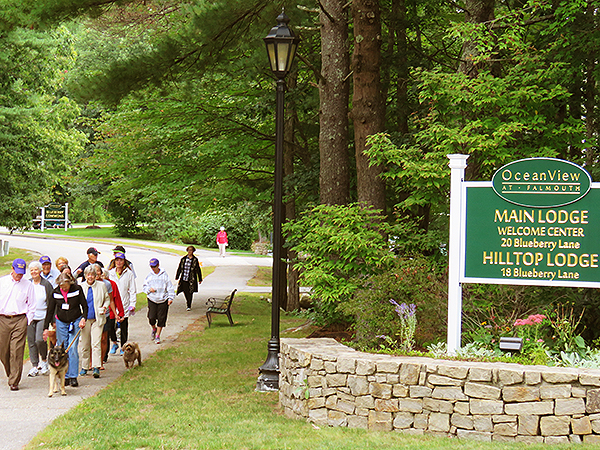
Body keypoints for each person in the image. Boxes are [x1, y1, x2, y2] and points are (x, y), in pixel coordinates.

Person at [43, 271, 87, 387]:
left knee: (72, 348)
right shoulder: (55, 292)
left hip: (75, 320)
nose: (63, 288)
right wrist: (45, 328)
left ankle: (73, 376)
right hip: (61, 321)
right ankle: (64, 376)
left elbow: (84, 305)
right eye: (61, 286)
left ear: (70, 283)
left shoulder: (77, 289)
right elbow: (50, 310)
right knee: (63, 348)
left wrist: (84, 318)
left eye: (65, 286)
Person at [0, 259, 36, 391]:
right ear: (12, 269)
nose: (19, 275)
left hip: (19, 319)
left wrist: (28, 320)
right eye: (17, 272)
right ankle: (11, 373)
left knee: (16, 350)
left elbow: (32, 305)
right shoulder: (2, 282)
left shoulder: (28, 285)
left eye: (21, 273)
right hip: (3, 319)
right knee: (3, 350)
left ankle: (14, 381)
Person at [78, 265, 110, 378]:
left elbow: (107, 299)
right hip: (85, 319)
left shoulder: (101, 286)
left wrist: (104, 307)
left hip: (98, 318)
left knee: (96, 343)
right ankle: (85, 366)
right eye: (88, 274)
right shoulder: (81, 287)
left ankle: (96, 366)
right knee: (85, 344)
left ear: (96, 276)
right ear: (85, 276)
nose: (90, 277)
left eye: (92, 274)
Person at [27, 261, 53, 377]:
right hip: (30, 317)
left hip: (43, 316)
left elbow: (51, 303)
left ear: (40, 271)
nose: (34, 272)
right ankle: (34, 365)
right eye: (32, 270)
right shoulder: (27, 284)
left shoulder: (46, 284)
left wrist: (52, 320)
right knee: (31, 341)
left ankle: (43, 360)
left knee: (39, 339)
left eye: (36, 270)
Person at [108, 252, 136, 355]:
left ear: (124, 262)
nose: (119, 262)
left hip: (124, 304)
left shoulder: (129, 274)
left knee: (123, 327)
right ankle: (114, 342)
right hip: (112, 304)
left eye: (121, 260)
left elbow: (132, 290)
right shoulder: (110, 273)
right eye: (117, 260)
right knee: (111, 326)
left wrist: (132, 304)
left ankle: (123, 347)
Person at [96, 267, 124, 368]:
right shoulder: (87, 284)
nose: (96, 274)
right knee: (93, 339)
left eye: (98, 271)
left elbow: (111, 300)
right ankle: (91, 361)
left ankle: (101, 361)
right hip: (92, 315)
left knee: (104, 338)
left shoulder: (107, 284)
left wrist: (116, 314)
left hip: (105, 314)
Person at [143, 258, 175, 344]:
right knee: (151, 317)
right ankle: (154, 328)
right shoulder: (149, 276)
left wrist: (170, 298)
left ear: (158, 265)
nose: (153, 268)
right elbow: (144, 287)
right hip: (152, 299)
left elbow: (170, 287)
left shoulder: (164, 276)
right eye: (151, 267)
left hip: (163, 299)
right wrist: (149, 289)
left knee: (161, 318)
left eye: (154, 266)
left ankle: (158, 335)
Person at [175, 246, 203, 311]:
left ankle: (189, 305)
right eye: (189, 250)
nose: (190, 252)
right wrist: (177, 276)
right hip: (184, 278)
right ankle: (187, 301)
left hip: (191, 279)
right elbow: (179, 268)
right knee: (185, 291)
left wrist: (200, 278)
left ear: (193, 251)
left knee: (190, 291)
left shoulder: (195, 260)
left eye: (191, 250)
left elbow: (198, 269)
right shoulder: (183, 259)